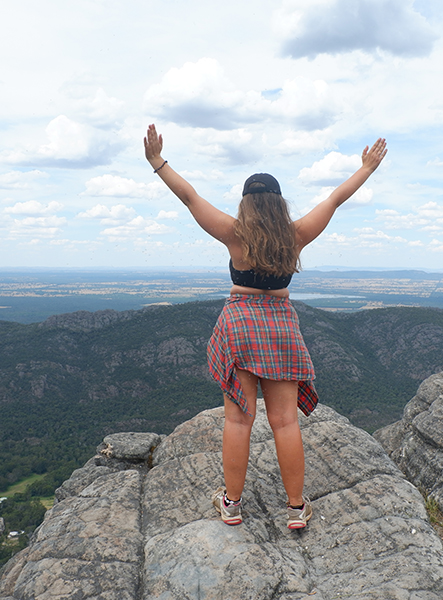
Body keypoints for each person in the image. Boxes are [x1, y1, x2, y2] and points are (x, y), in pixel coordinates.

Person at [144, 123, 387, 529]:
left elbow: (189, 197)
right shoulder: (296, 235)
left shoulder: (233, 233)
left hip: (240, 323)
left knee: (239, 420)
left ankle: (232, 504)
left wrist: (157, 162)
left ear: (246, 205)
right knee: (286, 422)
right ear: (278, 204)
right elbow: (335, 199)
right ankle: (295, 508)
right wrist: (366, 169)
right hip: (280, 327)